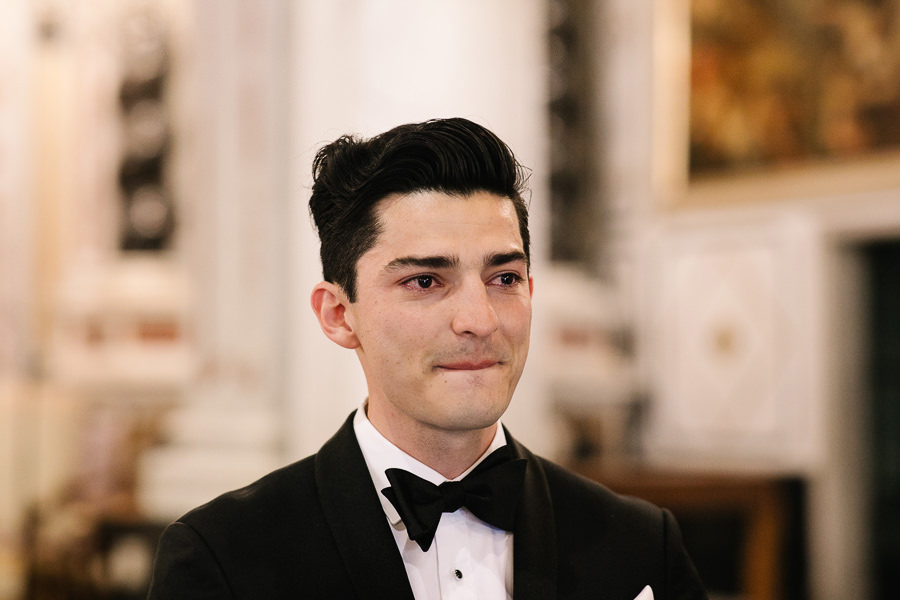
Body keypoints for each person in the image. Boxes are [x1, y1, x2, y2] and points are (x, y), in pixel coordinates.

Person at [146, 118, 707, 600]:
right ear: (339, 315)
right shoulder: (223, 560)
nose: (479, 319)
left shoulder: (642, 546)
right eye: (425, 280)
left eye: (504, 278)